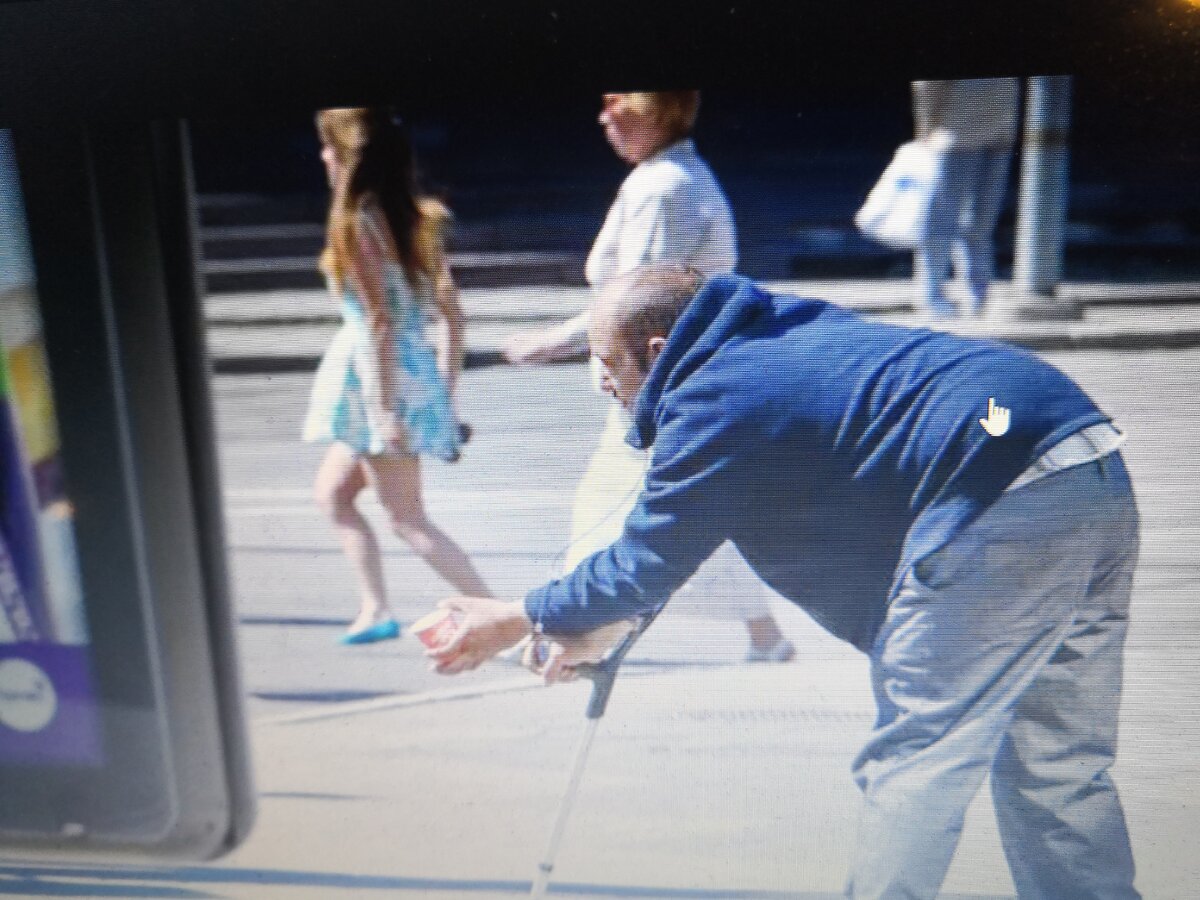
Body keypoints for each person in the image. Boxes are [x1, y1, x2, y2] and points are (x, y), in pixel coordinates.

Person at [431, 266, 1141, 899]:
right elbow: (683, 541)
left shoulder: (714, 395)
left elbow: (647, 558)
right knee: (1058, 761)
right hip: (1086, 464)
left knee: (918, 762)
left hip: (994, 492)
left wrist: (518, 615)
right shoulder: (773, 337)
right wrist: (605, 621)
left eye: (604, 360)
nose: (601, 382)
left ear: (656, 349)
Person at [503, 91, 793, 662]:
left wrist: (554, 342)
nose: (604, 117)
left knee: (608, 504)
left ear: (658, 111)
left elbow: (635, 300)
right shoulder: (664, 178)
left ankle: (567, 636)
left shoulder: (666, 188)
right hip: (663, 376)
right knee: (681, 506)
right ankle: (764, 634)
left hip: (654, 381)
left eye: (619, 105)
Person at [303, 107, 491, 644]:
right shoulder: (420, 218)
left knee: (407, 518)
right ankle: (376, 608)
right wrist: (444, 395)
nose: (322, 155)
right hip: (406, 374)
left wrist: (384, 411)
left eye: (328, 146)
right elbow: (453, 317)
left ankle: (501, 616)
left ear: (346, 157)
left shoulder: (355, 223)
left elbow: (378, 324)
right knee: (334, 492)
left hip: (376, 381)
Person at [911, 77, 1020, 318]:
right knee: (941, 222)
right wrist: (926, 132)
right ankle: (932, 296)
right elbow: (927, 88)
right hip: (955, 137)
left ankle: (977, 297)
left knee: (980, 224)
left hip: (998, 137)